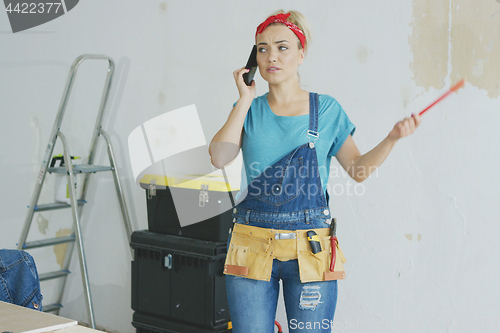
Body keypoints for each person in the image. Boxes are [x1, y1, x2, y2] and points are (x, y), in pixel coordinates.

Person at [209, 10, 421, 333]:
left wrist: (391, 138)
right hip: (251, 246)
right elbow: (219, 157)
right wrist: (244, 98)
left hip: (310, 250)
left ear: (301, 53)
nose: (271, 57)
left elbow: (358, 170)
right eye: (262, 48)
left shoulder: (326, 111)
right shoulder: (248, 110)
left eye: (282, 47)